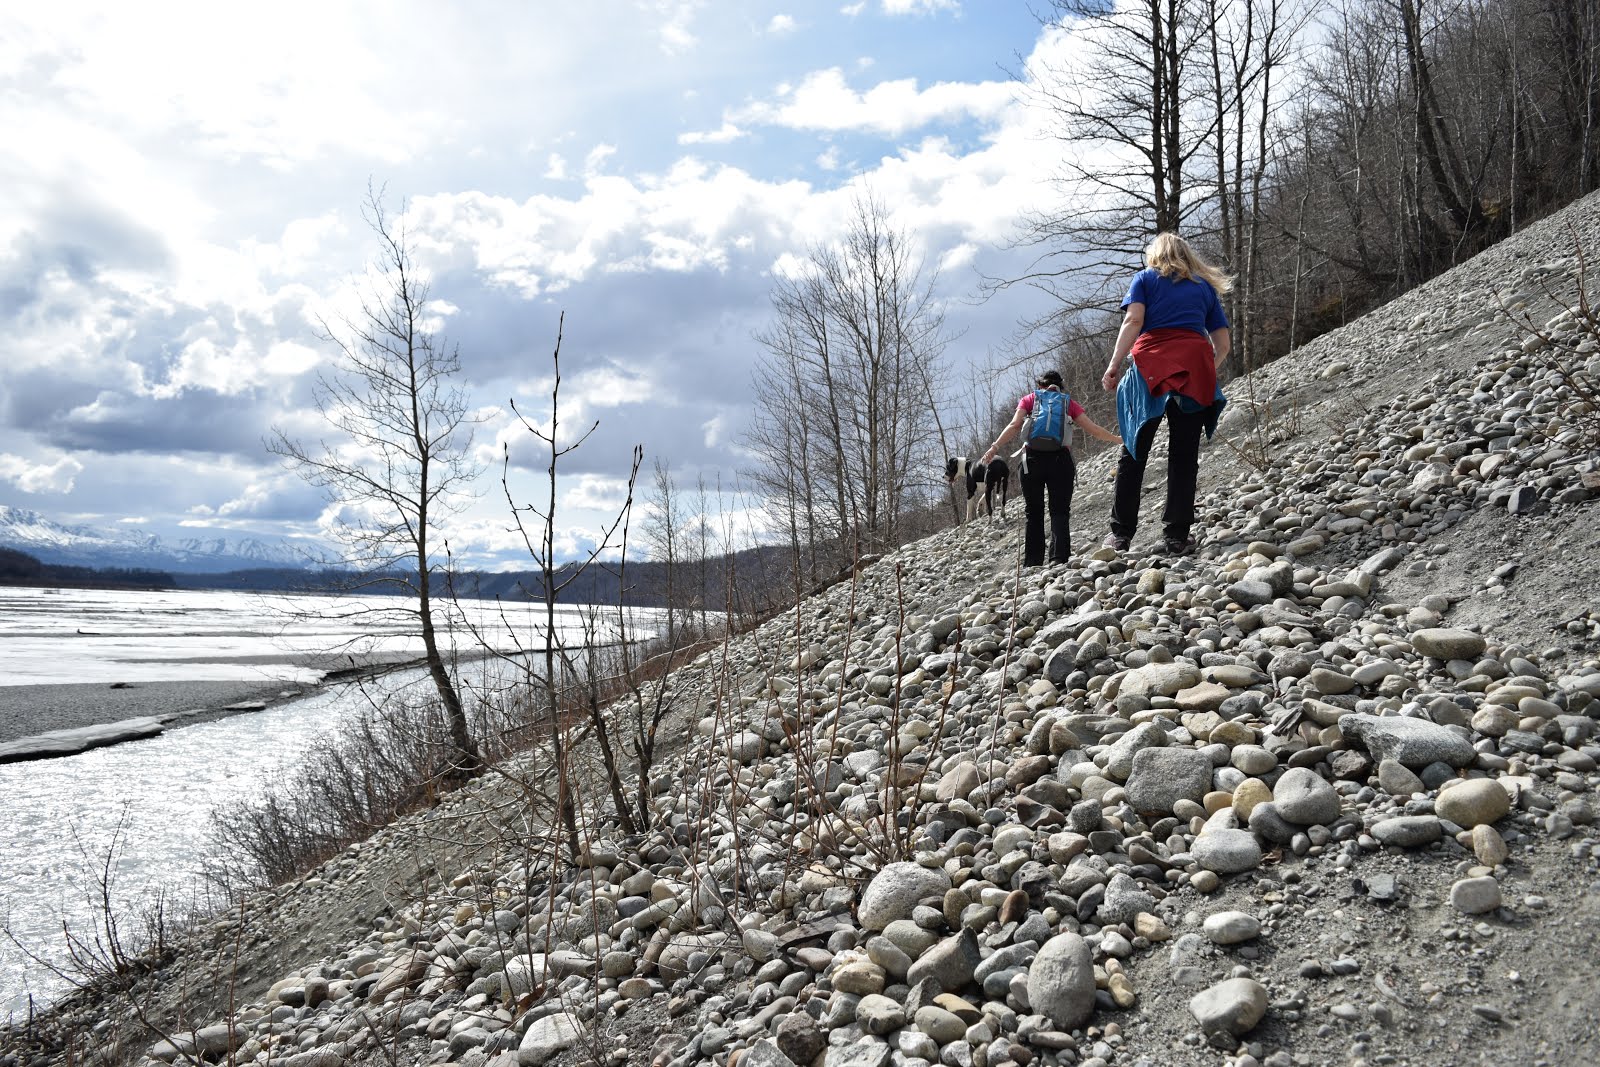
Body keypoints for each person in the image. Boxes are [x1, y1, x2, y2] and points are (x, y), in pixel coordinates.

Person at [1100, 233, 1232, 556]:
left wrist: (1115, 364)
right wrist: (1205, 368)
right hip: (1194, 369)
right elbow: (1223, 344)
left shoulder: (1145, 279)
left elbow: (1133, 320)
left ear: (1155, 255)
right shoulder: (1204, 287)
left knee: (1134, 450)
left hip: (1150, 368)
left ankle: (1120, 536)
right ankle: (1176, 536)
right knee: (1184, 455)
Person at [982, 369, 1121, 567]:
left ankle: (1033, 562)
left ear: (1040, 386)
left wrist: (994, 447)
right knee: (1060, 511)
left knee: (1033, 512)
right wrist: (1117, 439)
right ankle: (1059, 559)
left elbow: (1014, 425)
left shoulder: (1030, 399)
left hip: (1031, 460)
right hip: (1060, 460)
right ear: (1060, 386)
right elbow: (1093, 429)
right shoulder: (1067, 403)